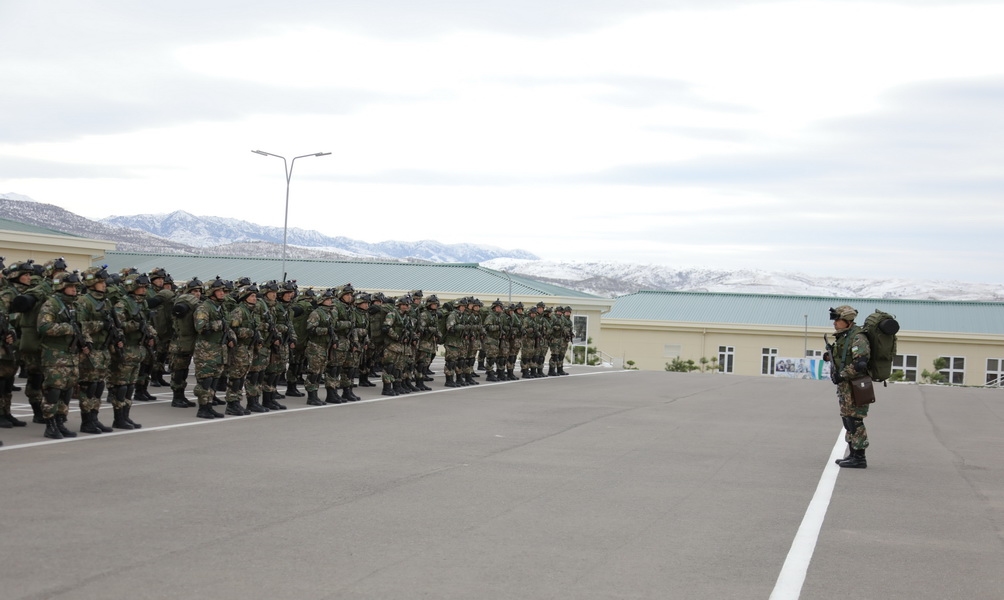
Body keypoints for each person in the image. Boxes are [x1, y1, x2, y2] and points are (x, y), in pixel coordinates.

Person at [825, 305, 871, 469]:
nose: (835, 323)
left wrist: (842, 374)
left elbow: (860, 363)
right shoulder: (844, 337)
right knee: (848, 419)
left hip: (856, 386)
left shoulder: (858, 338)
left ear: (848, 321)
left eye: (838, 319)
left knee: (855, 420)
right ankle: (853, 454)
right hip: (846, 386)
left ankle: (859, 457)